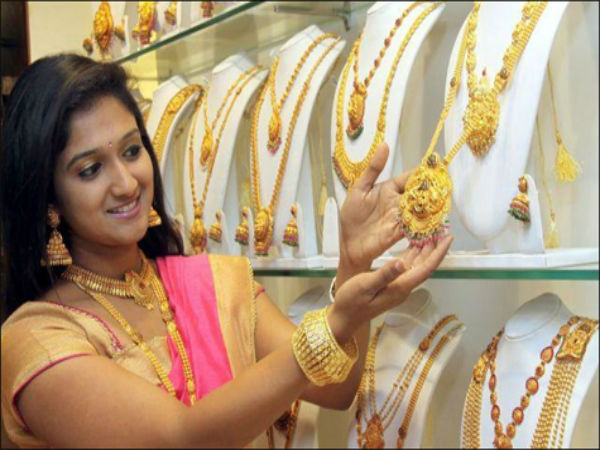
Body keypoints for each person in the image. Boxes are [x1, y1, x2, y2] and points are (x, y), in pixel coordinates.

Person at [0, 54, 453, 448]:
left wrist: (353, 261)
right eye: (90, 169)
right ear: (49, 198)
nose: (126, 182)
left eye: (132, 151)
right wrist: (333, 322)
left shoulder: (215, 283)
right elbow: (181, 438)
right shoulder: (38, 340)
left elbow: (334, 389)